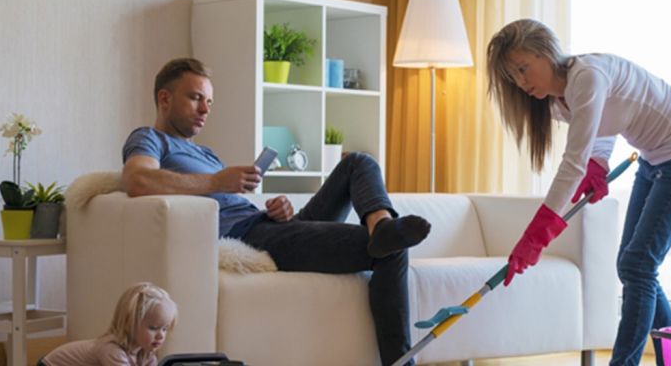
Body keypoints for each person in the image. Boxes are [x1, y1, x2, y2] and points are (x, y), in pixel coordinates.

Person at [120, 58, 431, 366]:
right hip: (253, 237)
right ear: (165, 98)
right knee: (392, 250)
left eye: (209, 102)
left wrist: (277, 210)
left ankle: (381, 224)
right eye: (195, 98)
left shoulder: (205, 153)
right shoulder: (149, 139)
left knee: (358, 162)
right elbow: (137, 179)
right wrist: (217, 181)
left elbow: (231, 204)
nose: (205, 109)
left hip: (271, 225)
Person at [486, 19, 671, 366]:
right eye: (513, 76)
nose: (520, 82)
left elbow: (572, 163)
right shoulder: (558, 101)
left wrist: (536, 235)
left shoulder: (587, 77)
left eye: (523, 68)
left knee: (637, 265)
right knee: (635, 265)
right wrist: (599, 162)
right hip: (655, 160)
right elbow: (605, 122)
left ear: (545, 51)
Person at [39, 282, 177, 366]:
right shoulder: (112, 351)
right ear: (129, 322)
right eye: (153, 328)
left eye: (165, 329)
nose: (161, 335)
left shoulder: (146, 353)